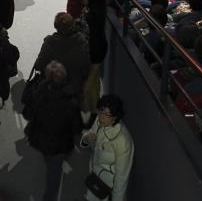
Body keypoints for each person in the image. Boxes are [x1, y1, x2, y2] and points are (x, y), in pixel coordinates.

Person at [23, 61, 83, 201]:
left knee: (49, 162)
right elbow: (77, 128)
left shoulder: (38, 93)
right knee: (54, 174)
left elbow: (29, 114)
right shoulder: (71, 102)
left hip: (40, 139)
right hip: (59, 144)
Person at [81, 94, 134, 201]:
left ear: (115, 117)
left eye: (106, 114)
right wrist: (87, 139)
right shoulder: (100, 121)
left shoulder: (123, 141)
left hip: (108, 188)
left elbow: (121, 178)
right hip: (95, 179)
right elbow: (89, 134)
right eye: (100, 112)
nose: (101, 117)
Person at [33, 13, 91, 102]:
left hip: (51, 91)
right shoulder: (82, 43)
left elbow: (38, 65)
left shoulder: (50, 42)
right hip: (73, 92)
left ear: (56, 26)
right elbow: (86, 70)